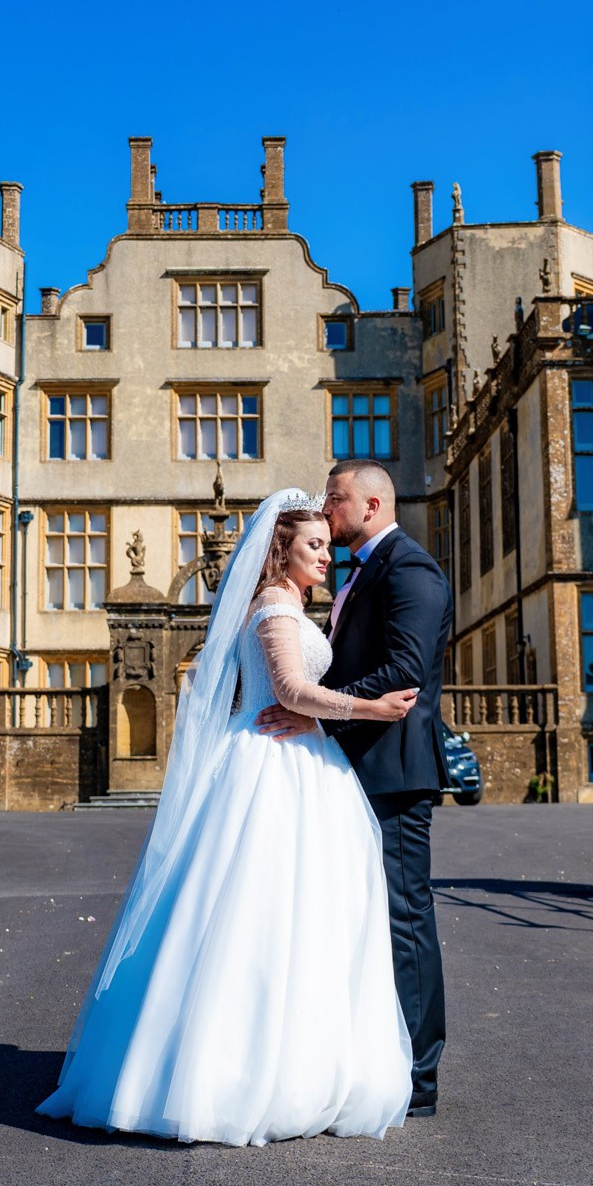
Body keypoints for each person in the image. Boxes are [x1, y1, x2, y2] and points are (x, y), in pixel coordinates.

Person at [37, 490, 418, 1145]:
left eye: (327, 544)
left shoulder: (289, 603)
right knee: (261, 918)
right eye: (313, 545)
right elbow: (292, 691)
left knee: (295, 922)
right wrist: (373, 709)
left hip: (295, 761)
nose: (326, 556)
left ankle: (290, 1060)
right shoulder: (273, 603)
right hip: (274, 768)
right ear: (281, 549)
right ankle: (235, 1073)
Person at [257, 459, 453, 1118]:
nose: (324, 508)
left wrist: (317, 710)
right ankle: (365, 1056)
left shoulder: (411, 570)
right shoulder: (364, 571)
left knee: (403, 918)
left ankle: (420, 1076)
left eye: (334, 499)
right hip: (353, 767)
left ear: (371, 504)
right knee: (359, 918)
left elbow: (405, 669)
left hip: (394, 771)